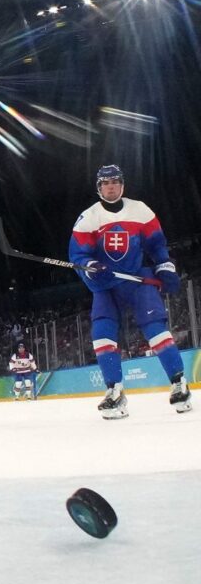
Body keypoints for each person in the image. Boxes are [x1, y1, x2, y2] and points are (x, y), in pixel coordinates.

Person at [69, 165, 191, 419]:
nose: (111, 186)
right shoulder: (88, 217)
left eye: (115, 181)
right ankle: (115, 391)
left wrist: (165, 268)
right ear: (99, 187)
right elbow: (79, 255)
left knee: (155, 328)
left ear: (122, 185)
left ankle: (179, 383)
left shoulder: (140, 210)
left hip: (137, 279)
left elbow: (157, 244)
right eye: (105, 183)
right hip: (105, 284)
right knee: (102, 335)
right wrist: (92, 268)